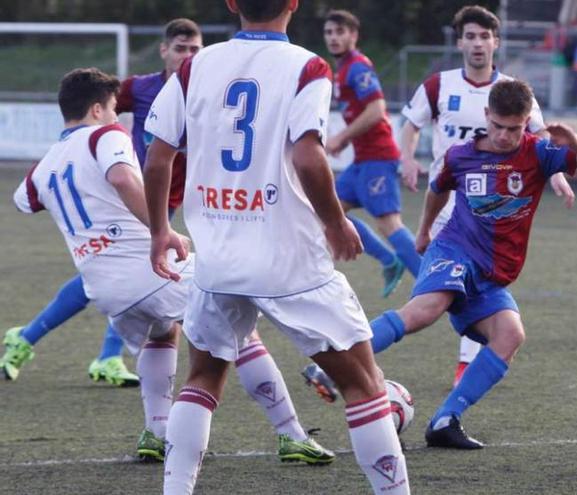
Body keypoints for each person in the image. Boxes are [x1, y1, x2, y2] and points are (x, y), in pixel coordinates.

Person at [143, 1, 409, 493]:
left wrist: (160, 230)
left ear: (230, 3)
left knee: (201, 379)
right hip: (288, 260)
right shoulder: (307, 66)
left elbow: (158, 157)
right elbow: (309, 155)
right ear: (294, 3)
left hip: (218, 258)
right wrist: (334, 222)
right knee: (365, 386)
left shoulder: (194, 65)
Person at [13, 67, 333, 465]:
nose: (117, 117)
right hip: (147, 269)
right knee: (243, 331)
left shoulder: (43, 167)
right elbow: (124, 179)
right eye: (113, 108)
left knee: (163, 332)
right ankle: (292, 435)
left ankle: (156, 431)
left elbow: (23, 202)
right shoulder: (105, 135)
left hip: (104, 288)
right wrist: (160, 230)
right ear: (97, 109)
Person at [305, 80, 577, 449]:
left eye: (515, 128)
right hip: (454, 250)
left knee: (510, 335)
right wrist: (425, 231)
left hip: (490, 275)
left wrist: (573, 139)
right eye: (498, 126)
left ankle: (446, 420)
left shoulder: (538, 153)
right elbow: (437, 190)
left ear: (527, 122)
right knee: (424, 311)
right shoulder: (461, 156)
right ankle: (332, 364)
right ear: (486, 116)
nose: (506, 136)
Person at [0, 19, 203, 386]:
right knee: (128, 276)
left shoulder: (205, 90)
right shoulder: (139, 88)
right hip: (129, 197)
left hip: (170, 195)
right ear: (164, 51)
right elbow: (90, 116)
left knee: (118, 276)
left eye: (194, 50)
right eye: (180, 48)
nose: (187, 56)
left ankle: (88, 352)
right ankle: (91, 353)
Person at [396, 5, 577, 387]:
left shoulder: (512, 92)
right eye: (471, 36)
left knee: (463, 292)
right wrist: (408, 158)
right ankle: (363, 350)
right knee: (434, 302)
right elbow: (410, 124)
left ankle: (464, 370)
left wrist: (558, 176)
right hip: (446, 201)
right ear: (460, 41)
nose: (478, 44)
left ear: (496, 41)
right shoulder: (438, 85)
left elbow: (543, 139)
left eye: (484, 36)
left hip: (488, 207)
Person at [323, 9, 421, 298]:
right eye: (329, 33)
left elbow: (377, 109)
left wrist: (341, 135)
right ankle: (390, 261)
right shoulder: (341, 70)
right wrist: (346, 139)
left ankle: (432, 282)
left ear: (353, 35)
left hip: (378, 158)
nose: (334, 38)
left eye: (340, 32)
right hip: (361, 161)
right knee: (328, 213)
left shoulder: (358, 67)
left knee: (389, 223)